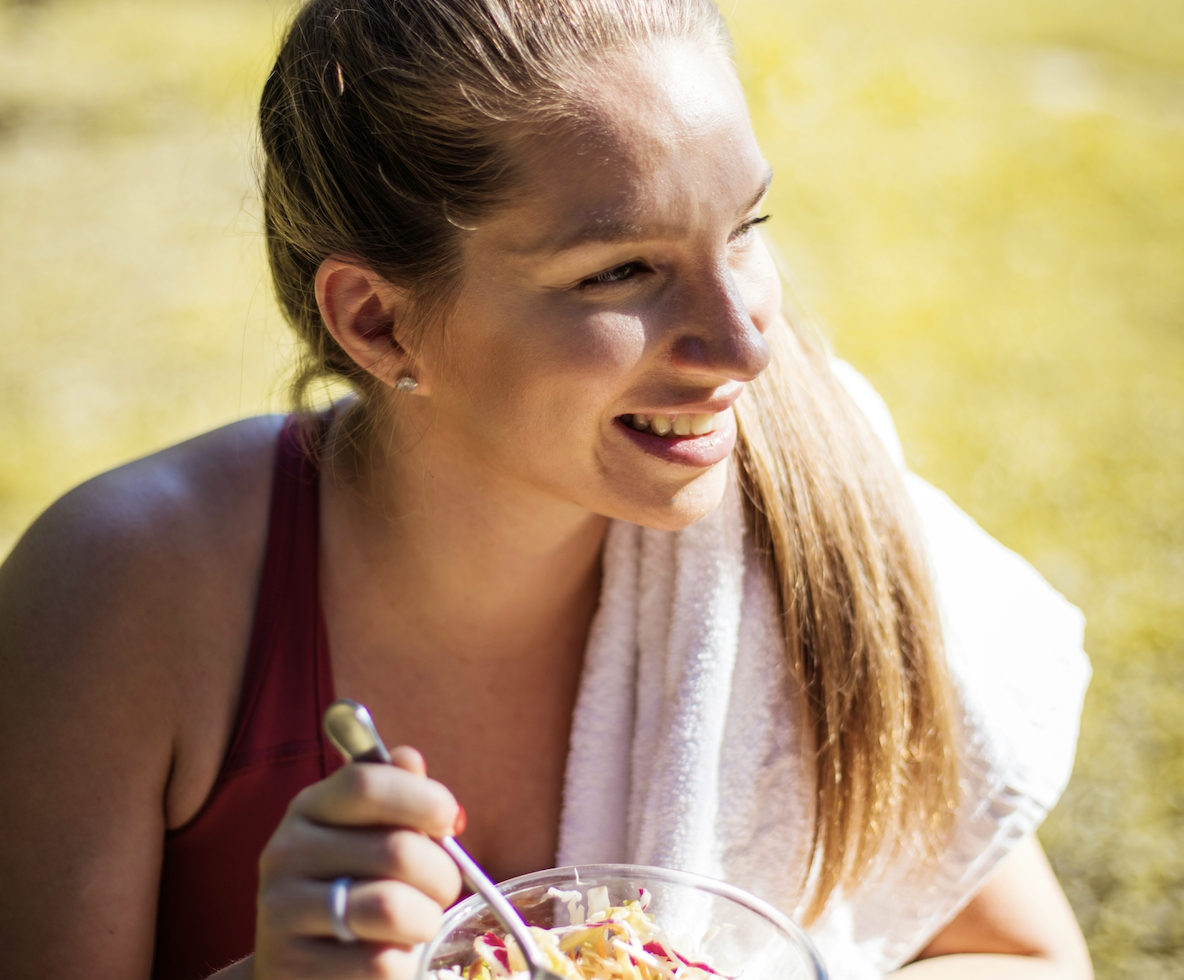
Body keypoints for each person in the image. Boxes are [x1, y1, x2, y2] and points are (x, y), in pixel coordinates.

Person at [0, 1, 1093, 978]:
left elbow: (1021, 954)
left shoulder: (805, 508)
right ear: (376, 321)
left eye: (743, 229)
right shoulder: (122, 594)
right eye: (620, 270)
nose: (746, 349)